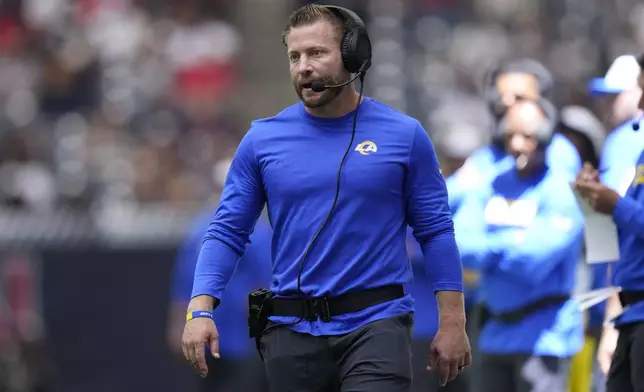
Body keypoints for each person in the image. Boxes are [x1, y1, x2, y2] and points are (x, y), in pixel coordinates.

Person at [180, 4, 470, 392]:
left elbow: (436, 231)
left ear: (354, 55)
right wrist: (200, 309)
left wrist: (453, 322)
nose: (303, 66)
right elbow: (227, 231)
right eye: (294, 56)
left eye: (316, 53)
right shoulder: (262, 140)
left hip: (377, 325)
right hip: (290, 332)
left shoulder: (405, 136)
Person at [456, 99, 585, 392]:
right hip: (492, 334)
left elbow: (535, 259)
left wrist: (487, 250)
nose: (518, 144)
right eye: (510, 134)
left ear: (547, 135)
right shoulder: (492, 182)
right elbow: (460, 242)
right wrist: (511, 244)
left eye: (528, 135)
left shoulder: (561, 189)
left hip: (544, 337)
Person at [446, 58, 581, 212]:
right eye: (502, 101)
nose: (509, 107)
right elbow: (444, 199)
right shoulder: (488, 156)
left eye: (520, 98)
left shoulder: (559, 151)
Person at [583, 53, 644, 392]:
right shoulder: (637, 150)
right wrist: (595, 201)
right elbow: (623, 236)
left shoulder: (626, 140)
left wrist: (613, 205)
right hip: (629, 309)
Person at [167, 207, 271, 391]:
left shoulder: (259, 233)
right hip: (205, 334)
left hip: (242, 336)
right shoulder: (199, 230)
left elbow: (265, 281)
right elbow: (185, 281)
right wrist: (177, 324)